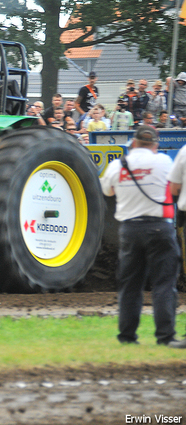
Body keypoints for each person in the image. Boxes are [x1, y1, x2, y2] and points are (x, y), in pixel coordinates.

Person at [100, 125, 183, 348]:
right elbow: (175, 186)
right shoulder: (164, 162)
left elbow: (107, 191)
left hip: (130, 230)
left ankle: (127, 337)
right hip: (159, 228)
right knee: (164, 283)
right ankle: (165, 337)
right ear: (155, 145)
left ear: (133, 143)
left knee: (130, 285)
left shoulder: (118, 165)